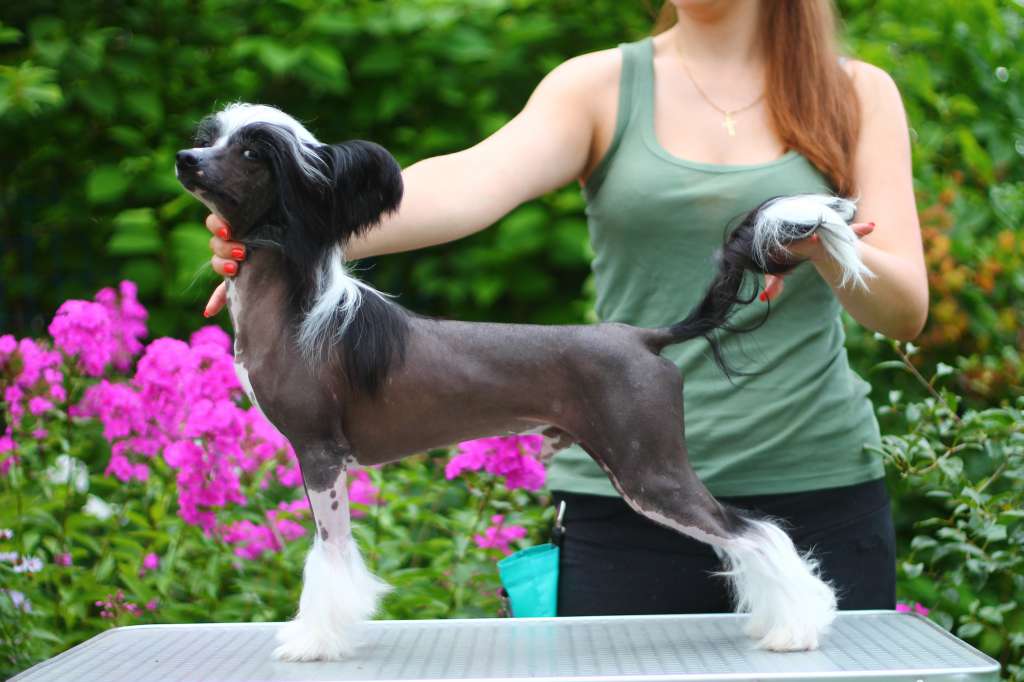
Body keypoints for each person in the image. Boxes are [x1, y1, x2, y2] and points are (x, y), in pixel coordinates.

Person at [202, 0, 927, 615]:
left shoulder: (855, 93)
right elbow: (463, 185)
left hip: (825, 490)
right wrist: (290, 226)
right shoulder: (599, 85)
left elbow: (905, 311)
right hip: (619, 512)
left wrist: (822, 241)